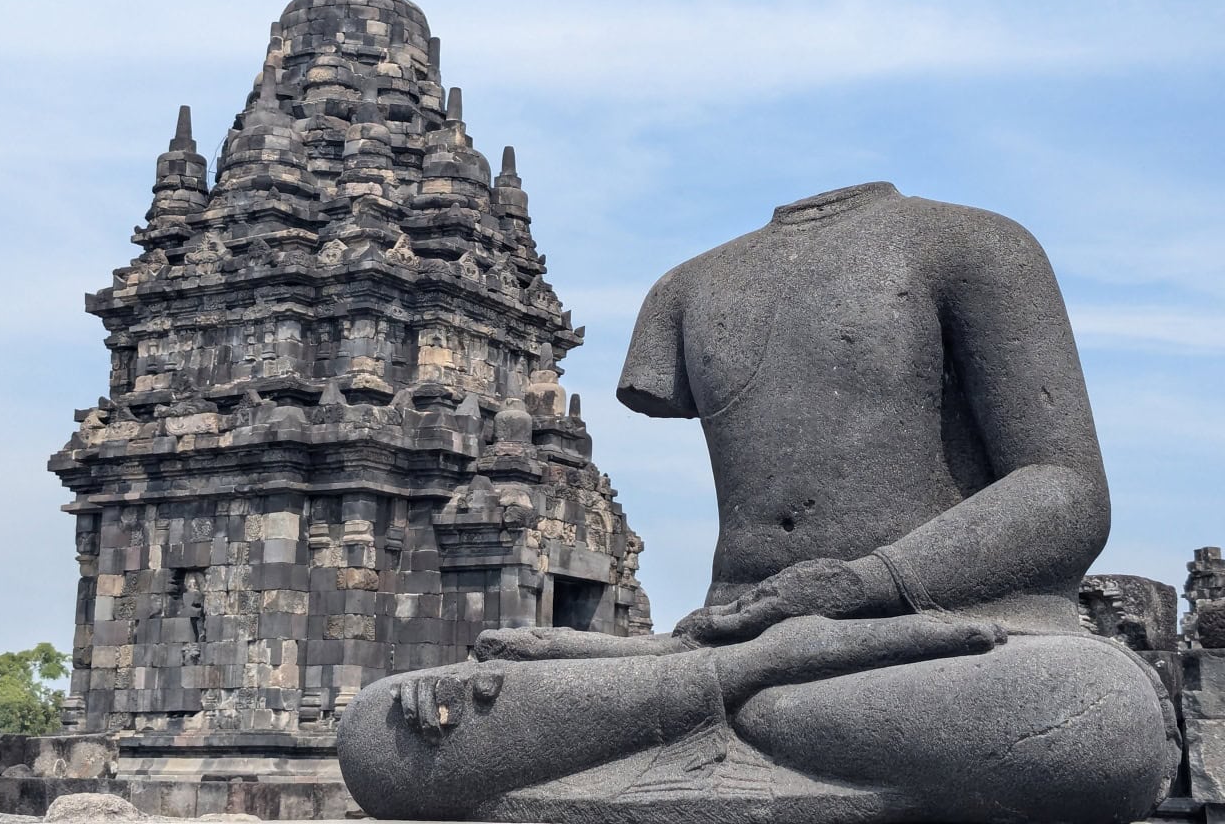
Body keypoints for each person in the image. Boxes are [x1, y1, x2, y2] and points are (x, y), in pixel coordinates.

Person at [339, 183, 1179, 824]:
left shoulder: (976, 245)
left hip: (944, 643)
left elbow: (1064, 491)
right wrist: (731, 653)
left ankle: (718, 706)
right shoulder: (683, 288)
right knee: (379, 732)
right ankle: (750, 690)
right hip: (743, 646)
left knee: (1093, 716)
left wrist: (860, 587)